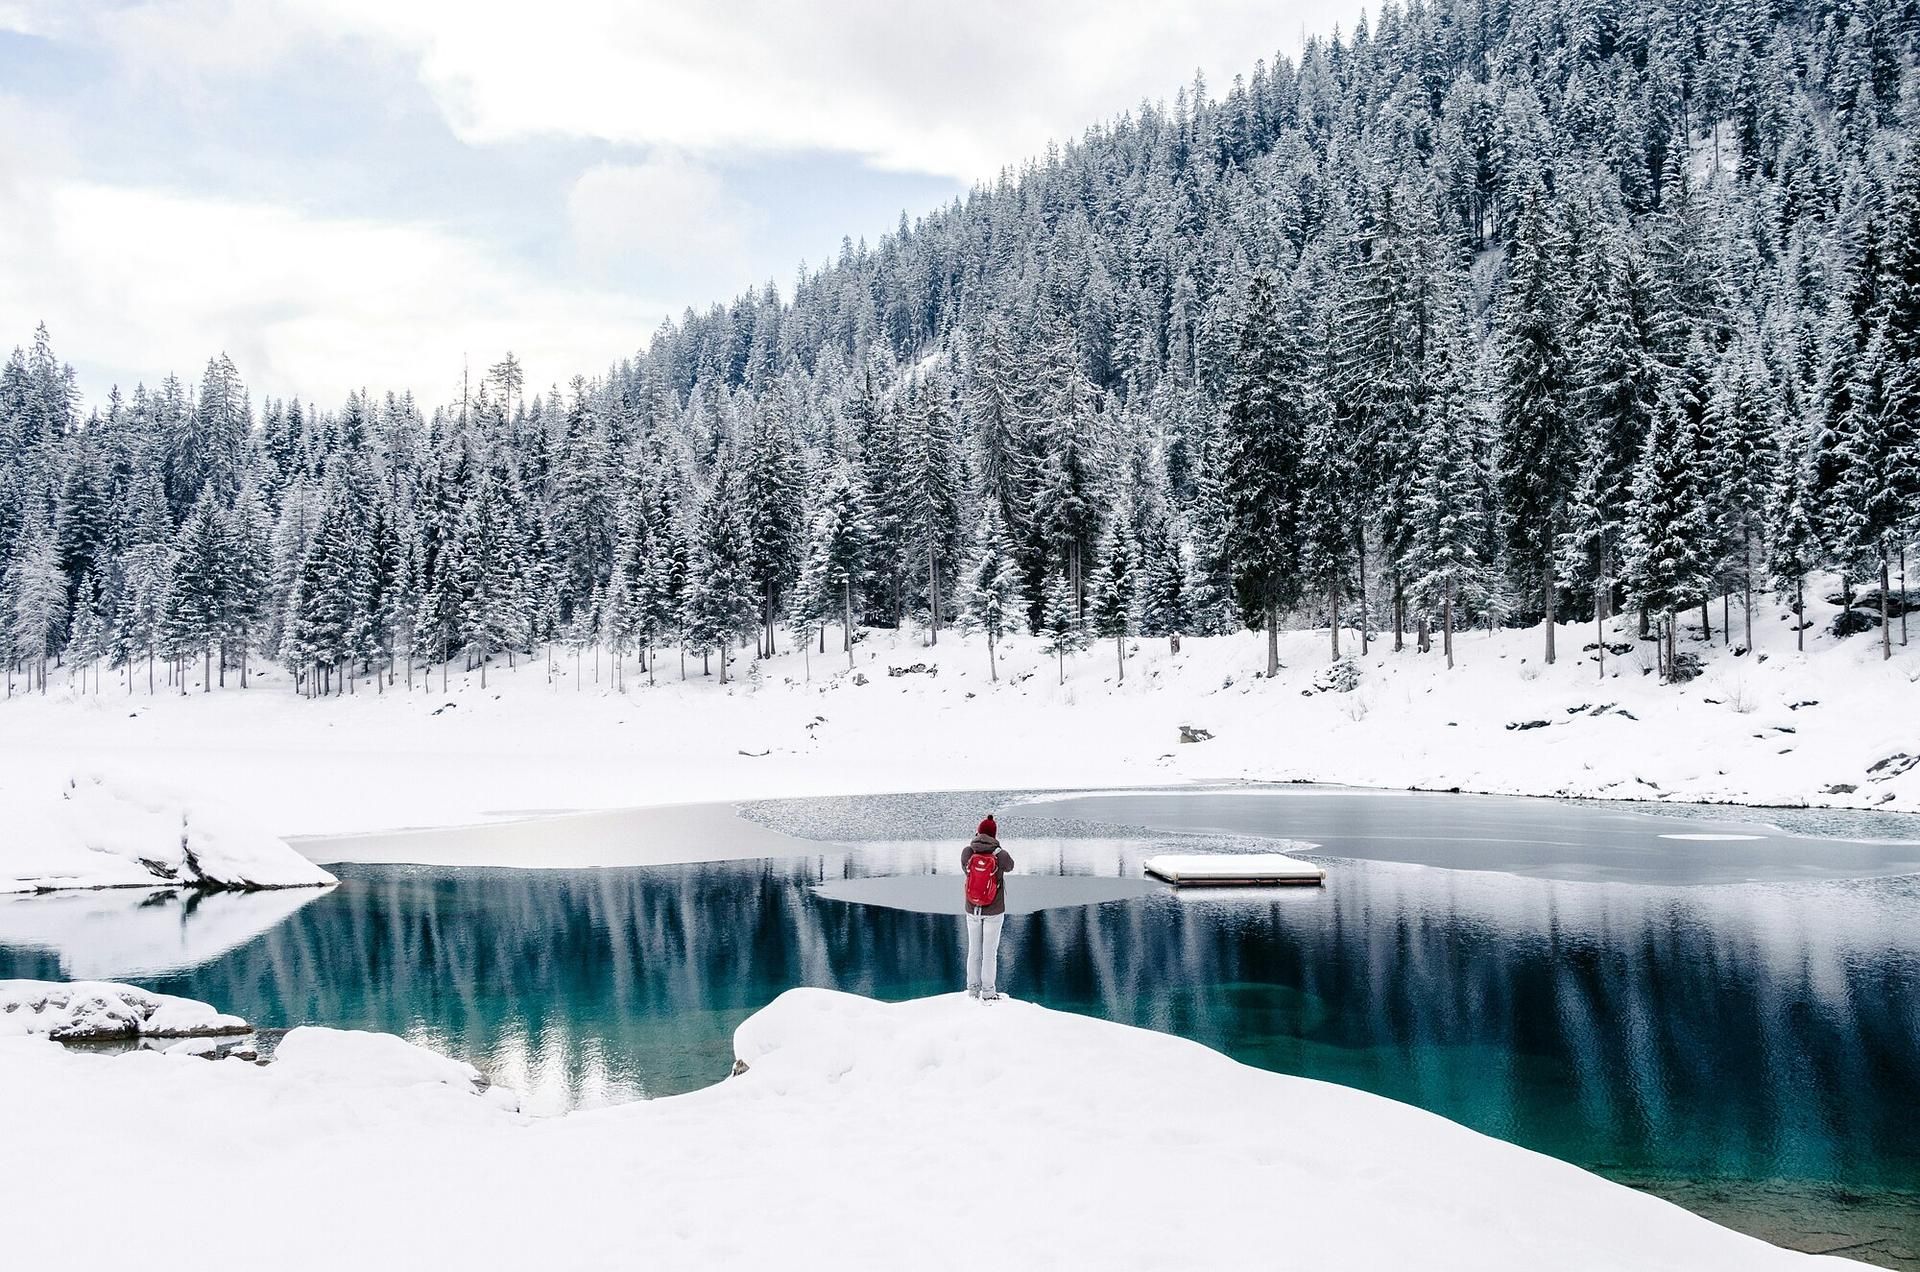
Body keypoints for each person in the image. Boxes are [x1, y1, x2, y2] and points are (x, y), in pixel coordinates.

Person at [962, 815, 1014, 1000]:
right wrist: (998, 851)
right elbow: (1010, 866)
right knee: (989, 953)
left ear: (978, 831)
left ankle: (973, 990)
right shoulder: (999, 855)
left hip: (972, 908)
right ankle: (989, 992)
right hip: (994, 910)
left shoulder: (968, 852)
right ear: (994, 834)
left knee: (974, 951)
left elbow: (965, 869)